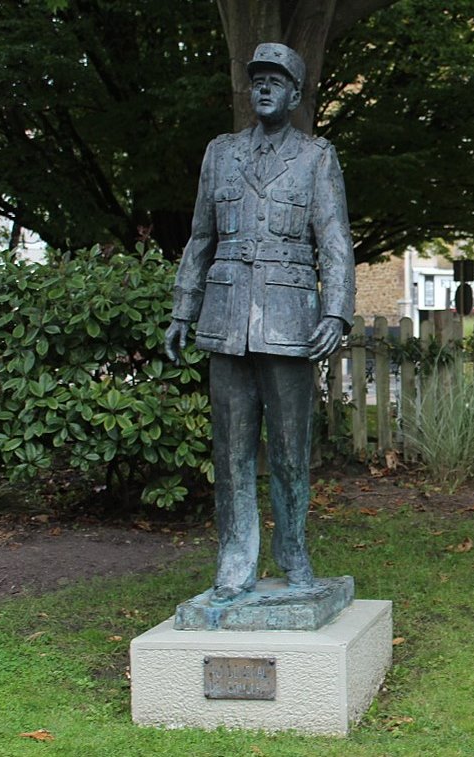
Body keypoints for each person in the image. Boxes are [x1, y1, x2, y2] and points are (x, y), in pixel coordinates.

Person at [164, 43, 355, 605]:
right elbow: (201, 238)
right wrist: (183, 308)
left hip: (290, 320)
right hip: (226, 318)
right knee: (231, 450)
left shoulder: (317, 156)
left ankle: (293, 551)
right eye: (258, 81)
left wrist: (336, 309)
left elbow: (335, 240)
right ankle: (236, 557)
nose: (265, 88)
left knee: (292, 449)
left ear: (296, 94)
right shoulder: (220, 154)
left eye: (277, 81)